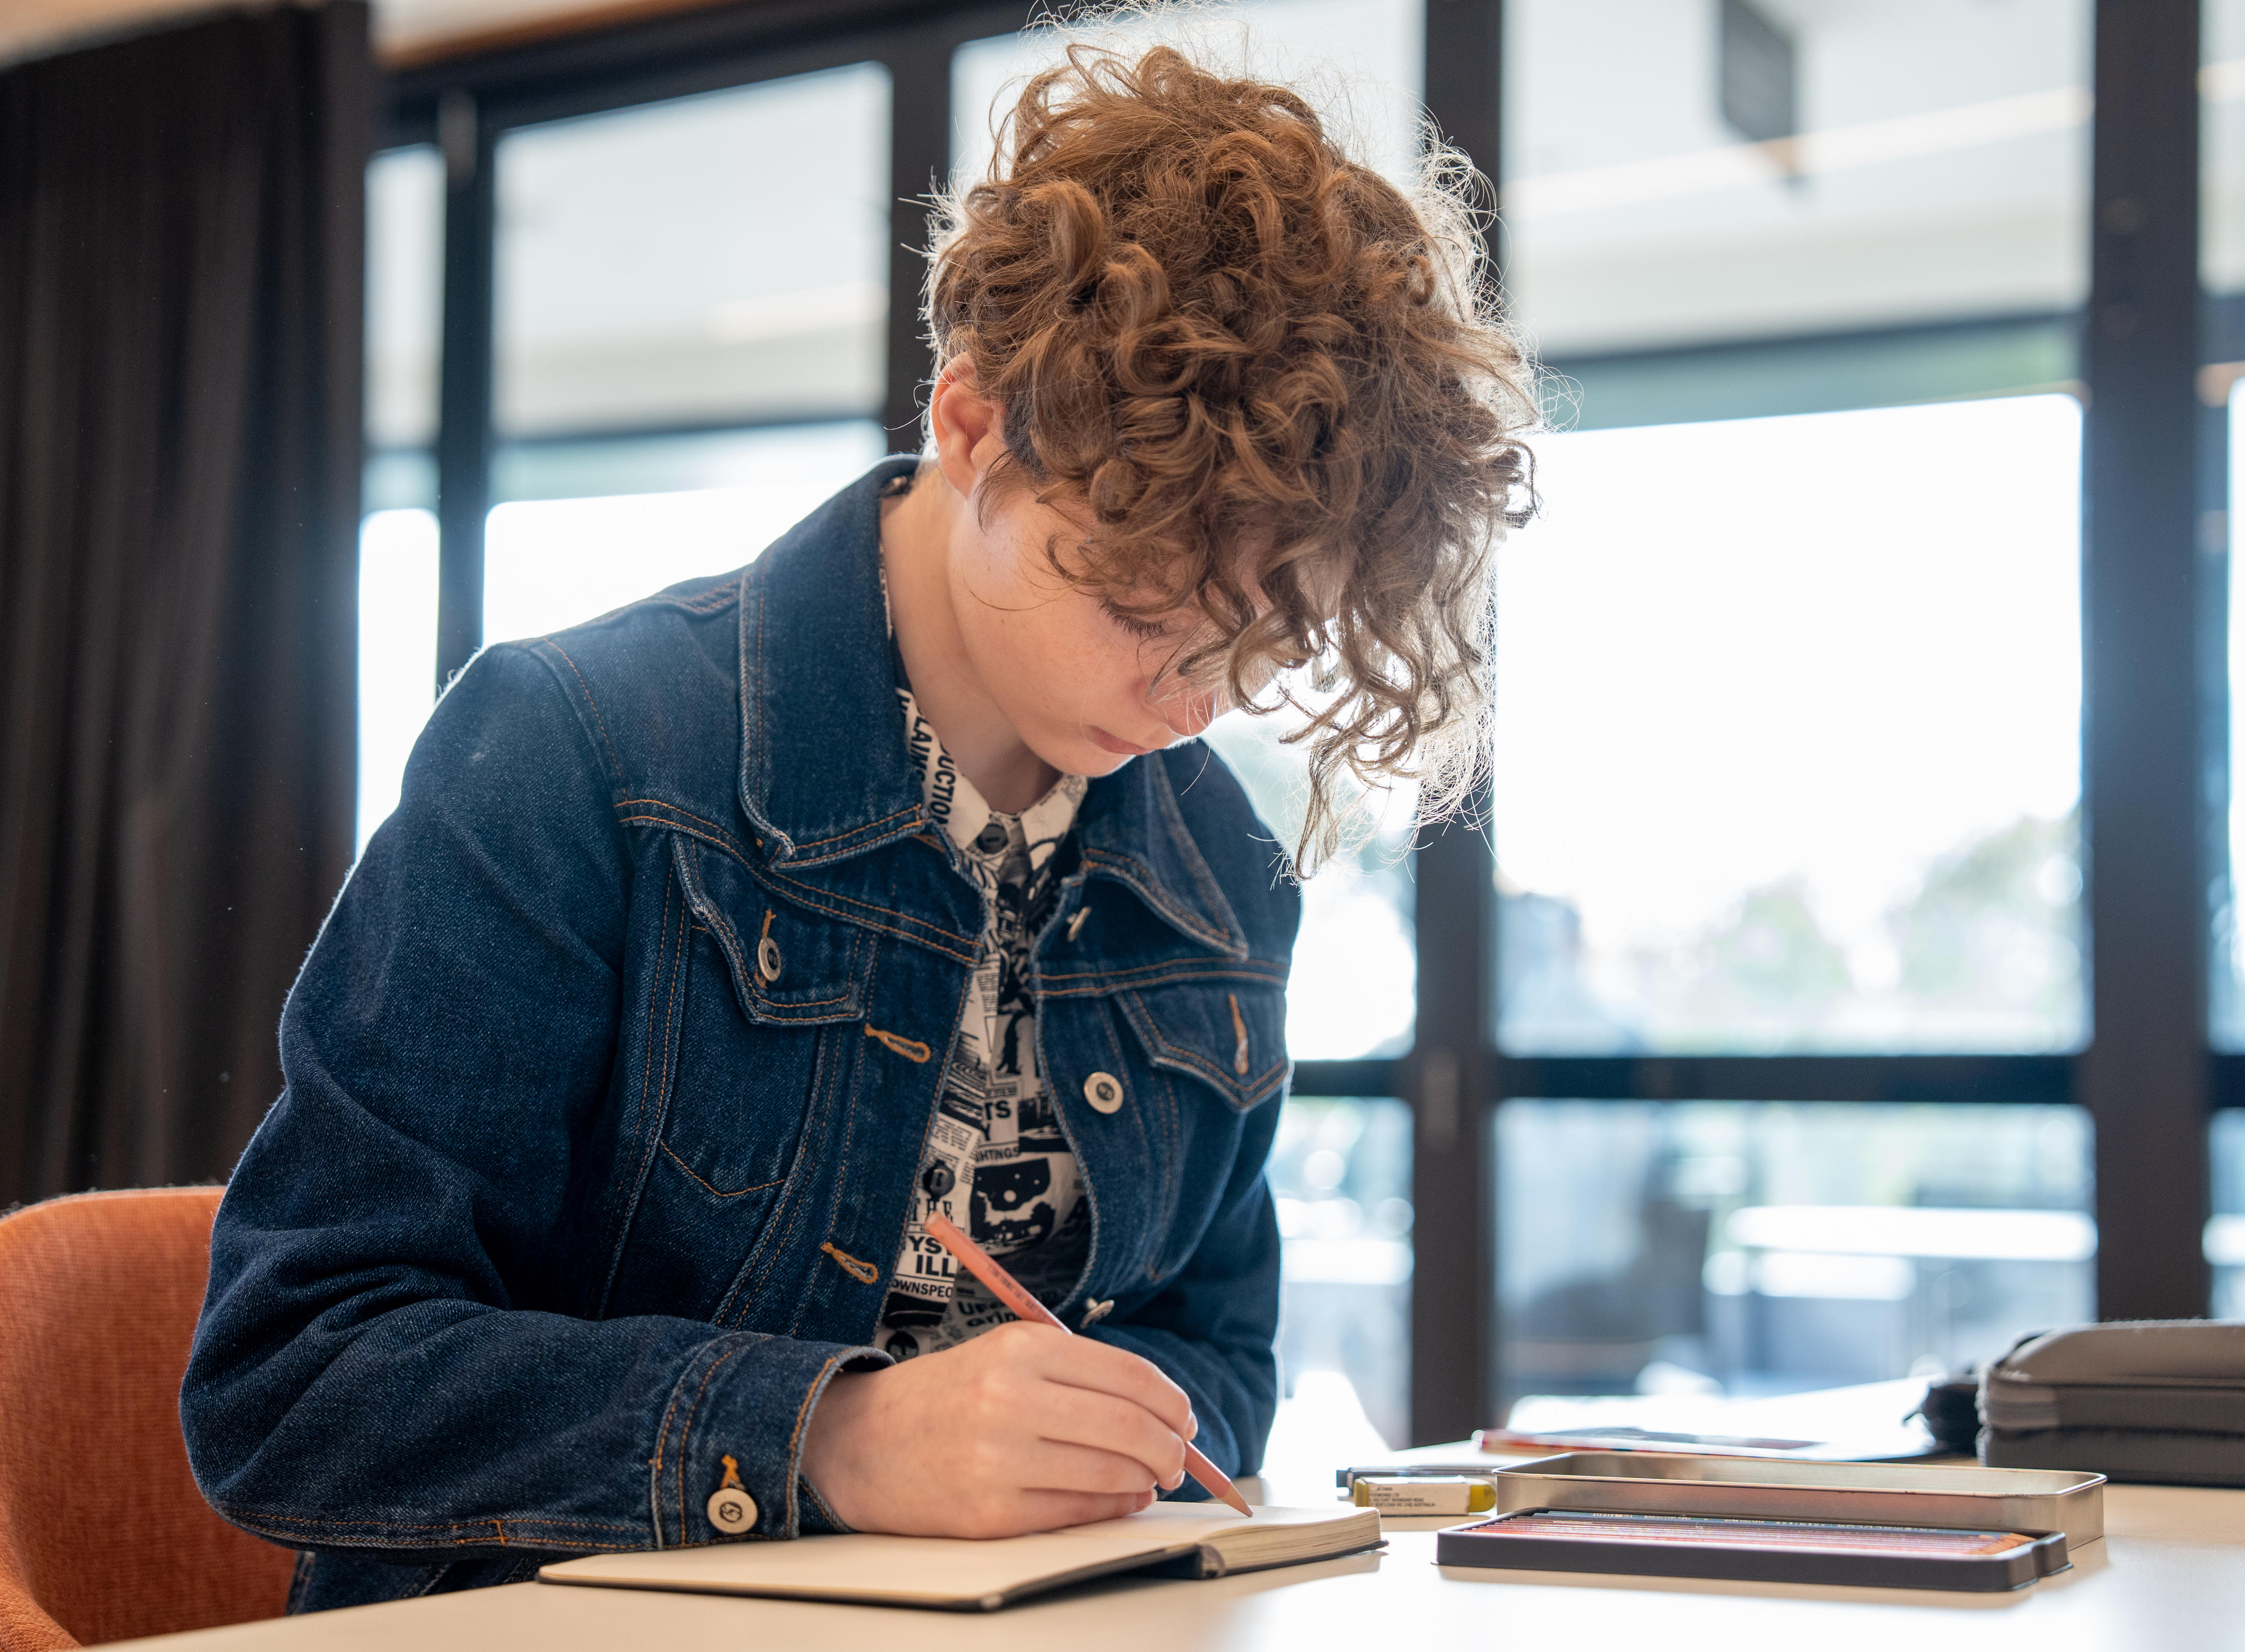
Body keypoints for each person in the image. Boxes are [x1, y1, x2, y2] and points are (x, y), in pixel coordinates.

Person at [182, 27, 1535, 1612]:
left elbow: (1212, 1343)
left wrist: (1131, 1440)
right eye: (1141, 606)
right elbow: (290, 1381)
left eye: (1261, 642)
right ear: (972, 426)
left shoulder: (1217, 871)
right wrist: (824, 1438)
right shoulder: (574, 754)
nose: (1194, 701)